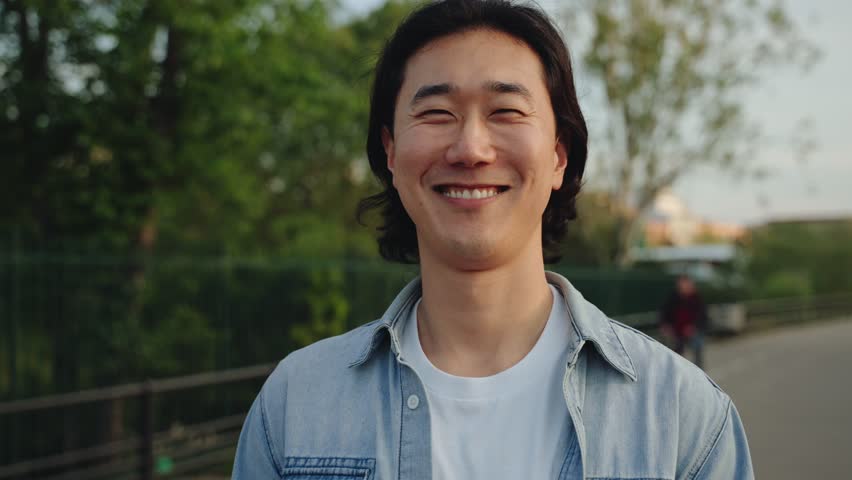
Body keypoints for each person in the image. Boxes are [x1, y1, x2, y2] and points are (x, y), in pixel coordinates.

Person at [232, 1, 753, 478]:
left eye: (506, 111)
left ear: (559, 155)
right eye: (436, 113)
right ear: (390, 151)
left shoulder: (683, 419)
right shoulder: (295, 405)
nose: (471, 148)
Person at [660, 275, 709, 369]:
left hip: (694, 329)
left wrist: (693, 327)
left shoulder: (696, 298)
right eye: (681, 285)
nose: (683, 287)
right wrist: (665, 325)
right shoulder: (673, 297)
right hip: (677, 329)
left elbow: (702, 316)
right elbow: (664, 312)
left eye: (685, 285)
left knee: (697, 346)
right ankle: (677, 370)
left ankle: (699, 370)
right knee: (676, 351)